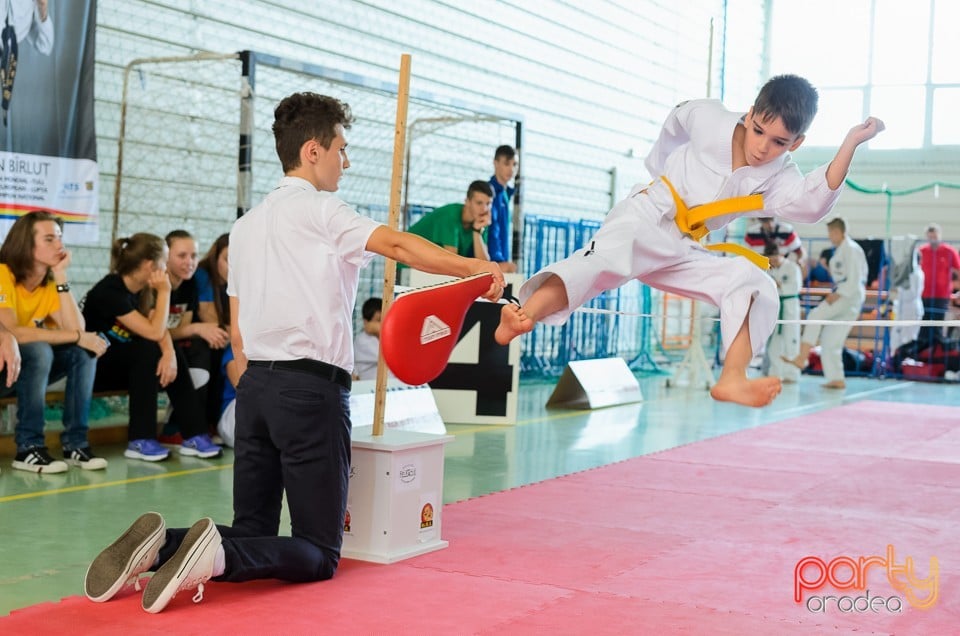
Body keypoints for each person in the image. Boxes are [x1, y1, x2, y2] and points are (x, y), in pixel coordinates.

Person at [84, 91, 503, 613]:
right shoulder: (325, 211)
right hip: (311, 390)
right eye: (341, 150)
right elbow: (397, 246)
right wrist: (475, 270)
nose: (345, 162)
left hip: (254, 387)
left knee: (252, 528)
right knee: (319, 550)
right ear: (312, 151)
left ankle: (163, 544)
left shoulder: (244, 226)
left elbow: (237, 336)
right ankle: (213, 560)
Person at [496, 75, 884, 408]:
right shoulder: (710, 117)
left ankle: (732, 377)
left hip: (688, 247)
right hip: (650, 214)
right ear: (750, 114)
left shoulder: (779, 176)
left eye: (779, 142)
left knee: (753, 283)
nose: (763, 147)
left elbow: (811, 203)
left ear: (796, 143)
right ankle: (523, 316)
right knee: (600, 261)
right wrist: (660, 170)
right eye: (759, 131)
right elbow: (675, 122)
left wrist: (850, 142)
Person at [81, 233, 223, 461]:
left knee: (165, 349)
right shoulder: (110, 291)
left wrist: (169, 354)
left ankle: (194, 434)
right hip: (94, 368)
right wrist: (165, 292)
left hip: (128, 365)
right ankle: (140, 439)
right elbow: (154, 332)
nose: (165, 268)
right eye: (163, 262)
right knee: (147, 350)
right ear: (149, 265)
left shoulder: (141, 289)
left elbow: (159, 331)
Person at [0, 211, 107, 473]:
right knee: (38, 351)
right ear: (27, 243)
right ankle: (28, 447)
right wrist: (78, 337)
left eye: (60, 237)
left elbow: (76, 329)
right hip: (3, 369)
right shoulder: (3, 273)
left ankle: (76, 444)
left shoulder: (47, 283)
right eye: (49, 239)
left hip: (22, 372)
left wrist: (60, 275)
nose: (59, 245)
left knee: (82, 354)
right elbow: (14, 331)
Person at [784, 218, 867, 389]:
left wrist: (837, 294)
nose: (829, 236)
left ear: (838, 232)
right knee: (830, 341)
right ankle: (836, 378)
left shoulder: (852, 250)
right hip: (846, 295)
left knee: (815, 314)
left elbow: (855, 279)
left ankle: (802, 357)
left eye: (831, 232)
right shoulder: (840, 251)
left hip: (849, 296)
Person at [162, 230, 229, 440]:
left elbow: (181, 326)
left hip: (178, 341)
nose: (190, 262)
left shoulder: (188, 284)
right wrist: (198, 329)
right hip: (152, 346)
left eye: (193, 256)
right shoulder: (197, 276)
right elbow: (205, 322)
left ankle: (206, 422)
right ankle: (178, 426)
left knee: (215, 349)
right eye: (182, 256)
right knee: (207, 348)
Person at [194, 233, 231, 430]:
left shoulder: (239, 279)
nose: (232, 267)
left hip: (213, 336)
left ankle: (213, 419)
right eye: (227, 260)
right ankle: (202, 422)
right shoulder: (203, 274)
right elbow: (210, 318)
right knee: (218, 345)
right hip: (194, 337)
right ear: (215, 256)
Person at [406, 180, 493, 262]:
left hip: (423, 269)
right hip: (404, 265)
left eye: (488, 204)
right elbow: (452, 262)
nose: (484, 209)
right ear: (467, 201)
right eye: (479, 203)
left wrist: (476, 231)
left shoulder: (479, 222)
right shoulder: (450, 215)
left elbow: (484, 265)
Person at [763, 244, 802, 383]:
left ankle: (791, 374)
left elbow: (796, 287)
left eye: (774, 258)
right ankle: (775, 372)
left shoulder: (792, 267)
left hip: (789, 305)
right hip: (775, 306)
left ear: (780, 255)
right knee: (774, 342)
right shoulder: (768, 269)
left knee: (791, 340)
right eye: (769, 259)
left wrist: (779, 285)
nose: (772, 261)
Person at [917, 223, 960, 350]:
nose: (933, 240)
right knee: (924, 323)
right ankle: (923, 351)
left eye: (935, 237)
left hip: (942, 294)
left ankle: (937, 352)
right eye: (930, 237)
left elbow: (958, 270)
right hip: (924, 293)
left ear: (939, 236)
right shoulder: (922, 251)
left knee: (937, 324)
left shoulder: (949, 251)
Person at [487, 145, 519, 273]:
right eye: (507, 163)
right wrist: (498, 261)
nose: (511, 169)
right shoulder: (489, 193)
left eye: (514, 164)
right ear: (495, 163)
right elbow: (491, 230)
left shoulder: (505, 194)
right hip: (491, 262)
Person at [353, 297, 387, 382]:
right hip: (371, 389)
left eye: (386, 319)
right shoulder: (362, 340)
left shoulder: (386, 337)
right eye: (379, 320)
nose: (384, 323)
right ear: (366, 322)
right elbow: (388, 356)